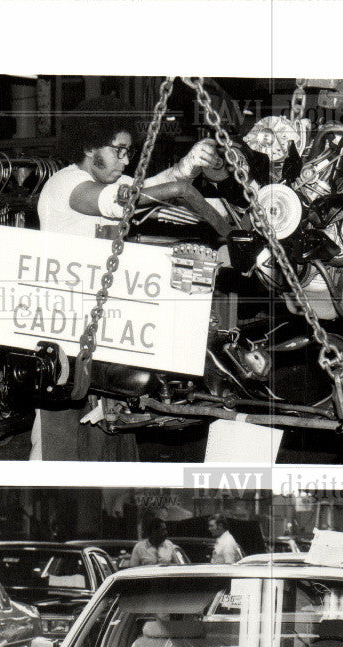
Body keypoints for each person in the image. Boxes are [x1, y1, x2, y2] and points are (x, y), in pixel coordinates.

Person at [32, 98, 223, 461]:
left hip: (100, 325)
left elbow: (150, 185)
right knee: (57, 438)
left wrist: (187, 166)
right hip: (61, 329)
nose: (125, 160)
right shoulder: (67, 183)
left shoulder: (114, 179)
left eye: (129, 152)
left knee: (106, 434)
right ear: (89, 147)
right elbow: (115, 201)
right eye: (118, 151)